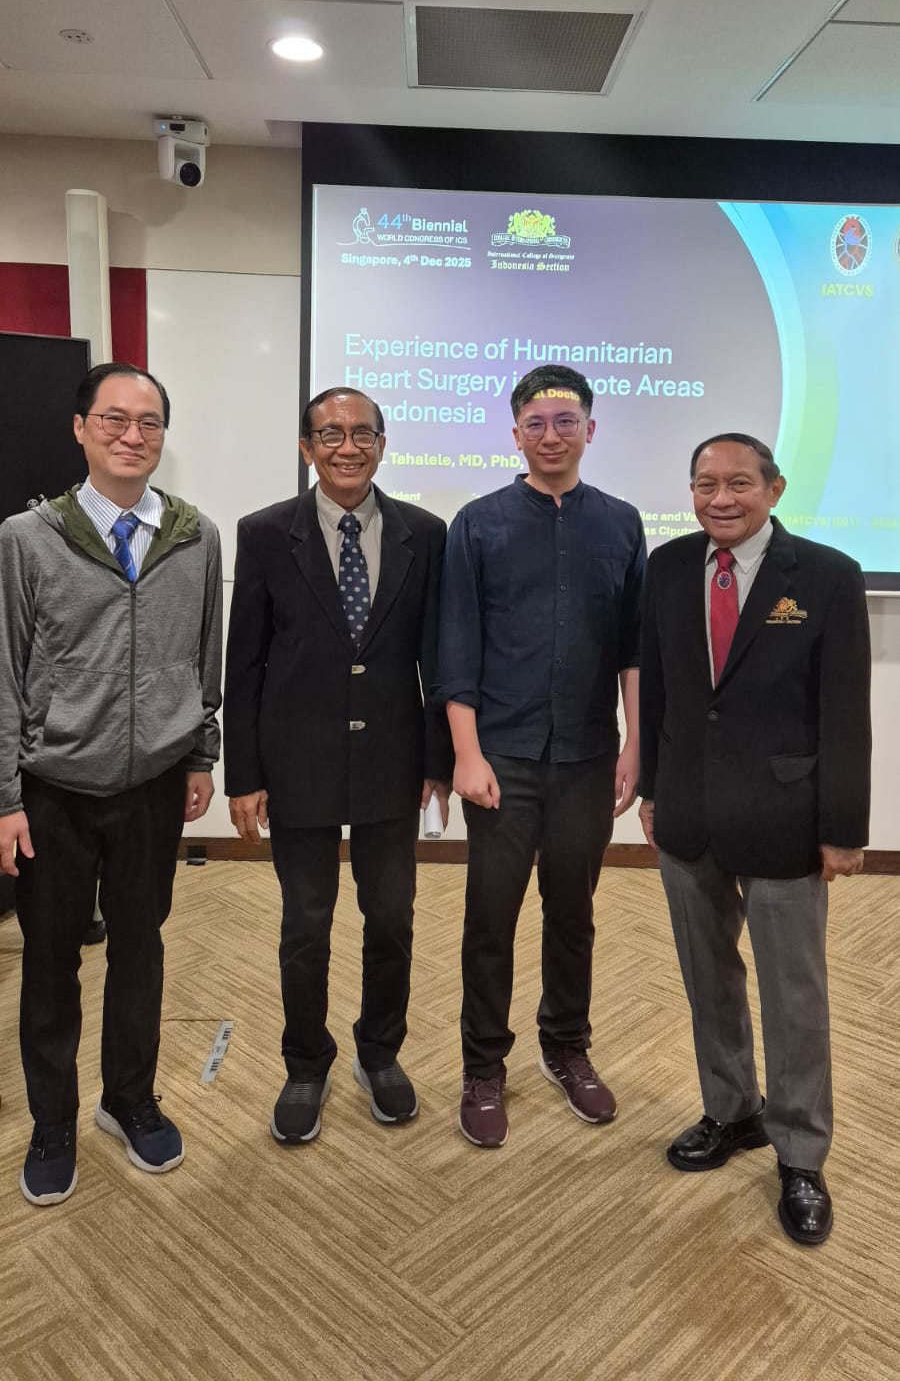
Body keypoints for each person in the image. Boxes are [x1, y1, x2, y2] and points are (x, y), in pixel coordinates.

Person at [638, 433, 871, 1246]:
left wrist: (842, 827)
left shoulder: (829, 575)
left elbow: (845, 712)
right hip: (689, 814)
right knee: (708, 979)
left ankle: (800, 1154)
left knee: (792, 996)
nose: (721, 498)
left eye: (739, 483)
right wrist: (653, 790)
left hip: (786, 820)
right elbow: (662, 691)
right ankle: (732, 1110)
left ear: (775, 489)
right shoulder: (668, 567)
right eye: (705, 484)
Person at [0, 362, 222, 1206]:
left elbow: (205, 658)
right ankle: (52, 1120)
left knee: (140, 948)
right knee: (51, 961)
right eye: (115, 419)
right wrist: (4, 799)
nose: (133, 436)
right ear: (80, 428)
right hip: (52, 790)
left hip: (153, 786)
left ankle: (128, 1099)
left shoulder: (195, 537)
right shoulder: (27, 539)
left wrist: (199, 755)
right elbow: (4, 674)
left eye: (149, 422)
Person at [224, 387, 452, 1144]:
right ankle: (305, 1063)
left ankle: (379, 1053)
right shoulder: (265, 533)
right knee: (306, 924)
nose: (346, 447)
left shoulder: (426, 533)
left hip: (393, 763)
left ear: (383, 445)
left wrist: (438, 760)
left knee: (391, 919)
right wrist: (244, 775)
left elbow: (436, 657)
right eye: (330, 434)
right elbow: (245, 663)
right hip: (298, 764)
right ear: (306, 447)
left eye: (361, 434)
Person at [438, 364, 645, 1147]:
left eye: (565, 422)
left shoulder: (621, 524)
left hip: (588, 756)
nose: (551, 436)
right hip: (503, 758)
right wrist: (466, 755)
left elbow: (633, 649)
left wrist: (635, 745)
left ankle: (566, 1048)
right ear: (515, 433)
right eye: (536, 423)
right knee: (490, 918)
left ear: (590, 430)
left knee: (573, 913)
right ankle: (483, 1066)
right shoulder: (478, 523)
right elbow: (456, 647)